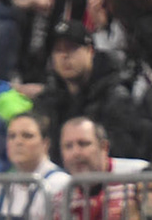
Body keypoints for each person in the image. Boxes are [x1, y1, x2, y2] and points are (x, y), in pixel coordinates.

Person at [31, 19, 141, 162]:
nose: (65, 56)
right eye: (58, 50)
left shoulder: (115, 94)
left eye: (72, 48)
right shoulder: (47, 99)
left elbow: (123, 149)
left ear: (90, 51)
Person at [0, 110, 59, 220]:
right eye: (11, 136)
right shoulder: (3, 185)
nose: (18, 142)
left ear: (45, 143)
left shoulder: (59, 183)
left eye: (27, 136)